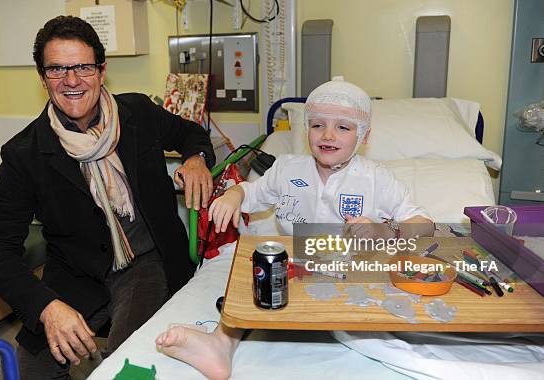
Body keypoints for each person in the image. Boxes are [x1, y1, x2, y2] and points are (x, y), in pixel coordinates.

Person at [0, 16, 214, 379]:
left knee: (127, 363)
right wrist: (46, 307)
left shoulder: (138, 113)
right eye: (57, 69)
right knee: (33, 368)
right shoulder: (24, 153)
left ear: (102, 71)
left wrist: (197, 158)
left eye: (82, 67)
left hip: (145, 265)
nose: (71, 81)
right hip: (75, 274)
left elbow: (190, 134)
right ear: (42, 78)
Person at [155, 77, 435, 380]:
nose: (328, 135)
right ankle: (220, 345)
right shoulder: (287, 169)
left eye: (343, 127)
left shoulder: (376, 179)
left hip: (354, 272)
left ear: (363, 135)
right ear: (307, 130)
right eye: (317, 125)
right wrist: (235, 194)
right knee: (254, 280)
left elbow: (425, 226)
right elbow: (253, 194)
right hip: (299, 268)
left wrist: (384, 231)